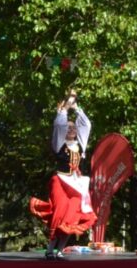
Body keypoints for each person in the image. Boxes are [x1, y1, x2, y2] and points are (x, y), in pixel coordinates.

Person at [30, 91, 96, 259]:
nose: (71, 129)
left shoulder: (80, 145)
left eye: (73, 127)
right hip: (60, 180)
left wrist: (76, 108)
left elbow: (86, 125)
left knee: (72, 216)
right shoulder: (59, 143)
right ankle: (50, 248)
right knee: (59, 213)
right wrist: (65, 108)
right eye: (69, 127)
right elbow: (59, 124)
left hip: (76, 183)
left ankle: (60, 249)